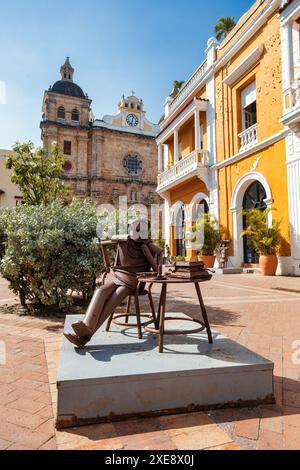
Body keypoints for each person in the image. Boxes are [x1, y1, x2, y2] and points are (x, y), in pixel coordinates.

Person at [64, 220, 163, 348]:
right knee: (101, 290)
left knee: (115, 297)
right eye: (133, 229)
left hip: (132, 280)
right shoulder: (124, 240)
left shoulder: (146, 245)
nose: (136, 233)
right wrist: (107, 266)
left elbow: (159, 255)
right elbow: (104, 243)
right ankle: (85, 329)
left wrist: (156, 267)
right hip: (116, 275)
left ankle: (86, 335)